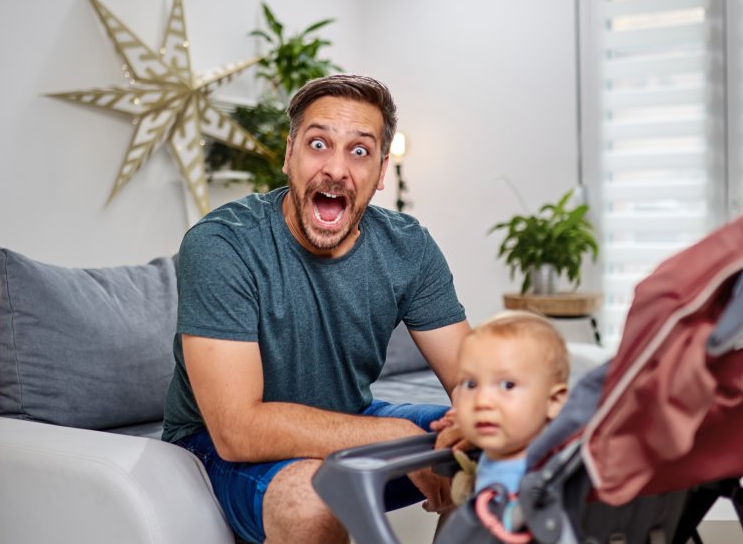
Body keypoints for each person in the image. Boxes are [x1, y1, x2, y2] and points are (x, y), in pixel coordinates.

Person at [161, 74, 470, 543]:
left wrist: (478, 424)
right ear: (289, 156)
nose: (336, 170)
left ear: (382, 171)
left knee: (493, 447)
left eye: (360, 151)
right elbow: (237, 430)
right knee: (315, 501)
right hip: (213, 446)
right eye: (319, 144)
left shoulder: (408, 248)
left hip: (346, 416)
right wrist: (390, 435)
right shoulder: (223, 244)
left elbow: (473, 382)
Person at [451, 311, 570, 496]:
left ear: (554, 401)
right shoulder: (498, 454)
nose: (482, 401)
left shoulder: (537, 482)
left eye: (508, 385)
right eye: (471, 384)